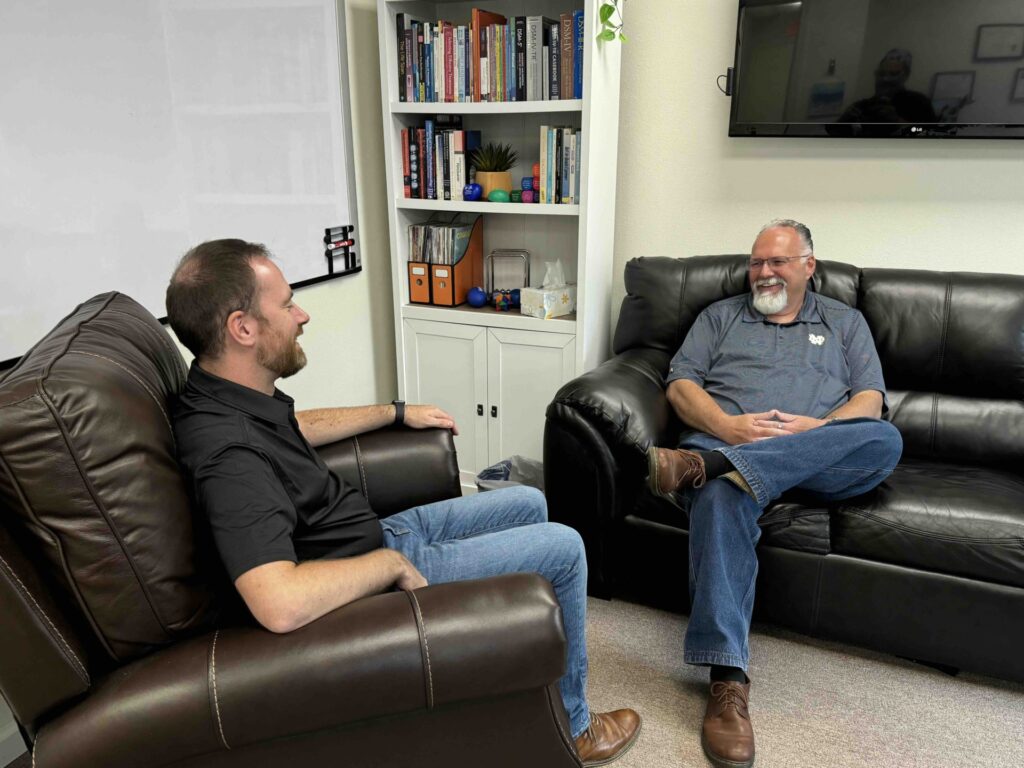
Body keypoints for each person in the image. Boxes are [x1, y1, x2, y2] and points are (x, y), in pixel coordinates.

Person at [165, 239, 641, 766]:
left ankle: (518, 672)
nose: (302, 314)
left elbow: (294, 428)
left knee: (527, 501)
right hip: (373, 578)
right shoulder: (228, 455)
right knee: (564, 548)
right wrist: (389, 563)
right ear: (243, 328)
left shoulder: (227, 392)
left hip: (378, 537)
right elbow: (276, 601)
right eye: (285, 304)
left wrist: (394, 411)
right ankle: (574, 728)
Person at [647, 220, 903, 768]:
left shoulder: (844, 323)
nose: (763, 272)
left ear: (809, 266)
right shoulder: (718, 317)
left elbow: (869, 402)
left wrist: (816, 432)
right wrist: (729, 428)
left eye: (778, 262)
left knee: (884, 440)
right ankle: (726, 683)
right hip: (724, 439)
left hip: (812, 456)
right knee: (721, 496)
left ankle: (710, 467)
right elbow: (680, 383)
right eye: (757, 261)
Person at [835, 49, 937, 135]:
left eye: (893, 74)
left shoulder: (919, 103)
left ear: (906, 75)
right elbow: (833, 136)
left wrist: (898, 122)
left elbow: (933, 137)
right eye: (881, 73)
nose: (885, 79)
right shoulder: (861, 106)